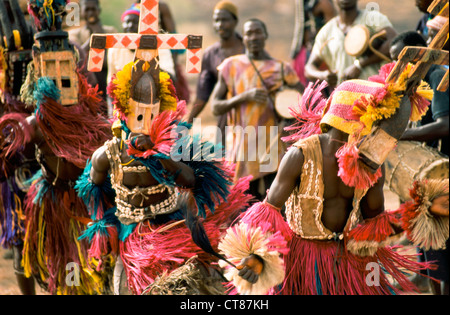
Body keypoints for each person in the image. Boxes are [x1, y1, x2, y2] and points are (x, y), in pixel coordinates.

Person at [217, 59, 449, 295]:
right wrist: (256, 257)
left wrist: (422, 211)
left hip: (349, 261)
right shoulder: (299, 155)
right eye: (375, 124)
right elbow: (269, 212)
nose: (377, 133)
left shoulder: (371, 163)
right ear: (353, 122)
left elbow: (374, 224)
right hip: (303, 262)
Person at [77, 56, 253, 294]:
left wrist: (160, 156)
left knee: (187, 285)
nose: (144, 120)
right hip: (130, 235)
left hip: (170, 229)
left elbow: (193, 181)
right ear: (123, 111)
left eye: (151, 113)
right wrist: (103, 223)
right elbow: (93, 189)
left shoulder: (172, 146)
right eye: (137, 112)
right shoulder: (107, 154)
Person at [1, 0, 112, 294]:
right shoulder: (32, 121)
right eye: (51, 68)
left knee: (90, 262)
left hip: (84, 200)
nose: (60, 75)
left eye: (66, 65)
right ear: (38, 71)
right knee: (52, 259)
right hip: (49, 197)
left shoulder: (87, 111)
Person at [211, 18, 304, 201]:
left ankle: (273, 230)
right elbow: (215, 107)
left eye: (257, 32)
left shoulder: (281, 69)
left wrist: (286, 106)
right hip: (243, 146)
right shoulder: (231, 66)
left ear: (265, 35)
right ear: (243, 38)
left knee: (273, 200)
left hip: (272, 144)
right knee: (243, 202)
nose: (253, 37)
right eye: (248, 33)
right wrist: (244, 96)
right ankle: (247, 231)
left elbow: (303, 99)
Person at [390, 31, 449, 295]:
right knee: (430, 244)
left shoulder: (437, 76)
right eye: (394, 61)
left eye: (402, 59)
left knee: (441, 246)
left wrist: (402, 135)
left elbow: (445, 125)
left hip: (444, 171)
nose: (398, 67)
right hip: (434, 172)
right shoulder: (417, 81)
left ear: (419, 53)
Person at [187, 0, 245, 146]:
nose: (220, 25)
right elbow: (202, 95)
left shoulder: (248, 48)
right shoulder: (210, 55)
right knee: (225, 161)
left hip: (251, 114)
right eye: (216, 20)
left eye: (224, 20)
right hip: (225, 117)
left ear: (235, 21)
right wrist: (187, 123)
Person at [305, 0, 397, 89]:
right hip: (344, 99)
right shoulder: (326, 32)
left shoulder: (373, 19)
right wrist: (323, 75)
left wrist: (360, 65)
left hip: (377, 96)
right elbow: (308, 68)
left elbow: (394, 43)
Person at [106, 2, 176, 118]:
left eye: (135, 22)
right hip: (125, 111)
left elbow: (171, 80)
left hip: (156, 109)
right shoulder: (114, 49)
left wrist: (149, 64)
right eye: (126, 22)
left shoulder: (160, 48)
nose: (129, 26)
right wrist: (112, 115)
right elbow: (110, 86)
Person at [68, 0, 117, 104]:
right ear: (81, 12)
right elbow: (77, 56)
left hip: (107, 76)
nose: (91, 13)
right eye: (87, 10)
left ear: (99, 11)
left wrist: (102, 34)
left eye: (93, 9)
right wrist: (93, 39)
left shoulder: (111, 31)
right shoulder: (75, 34)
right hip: (87, 81)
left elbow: (115, 58)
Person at [290, 0, 336, 86]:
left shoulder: (324, 4)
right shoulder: (303, 3)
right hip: (307, 52)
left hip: (320, 56)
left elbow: (333, 31)